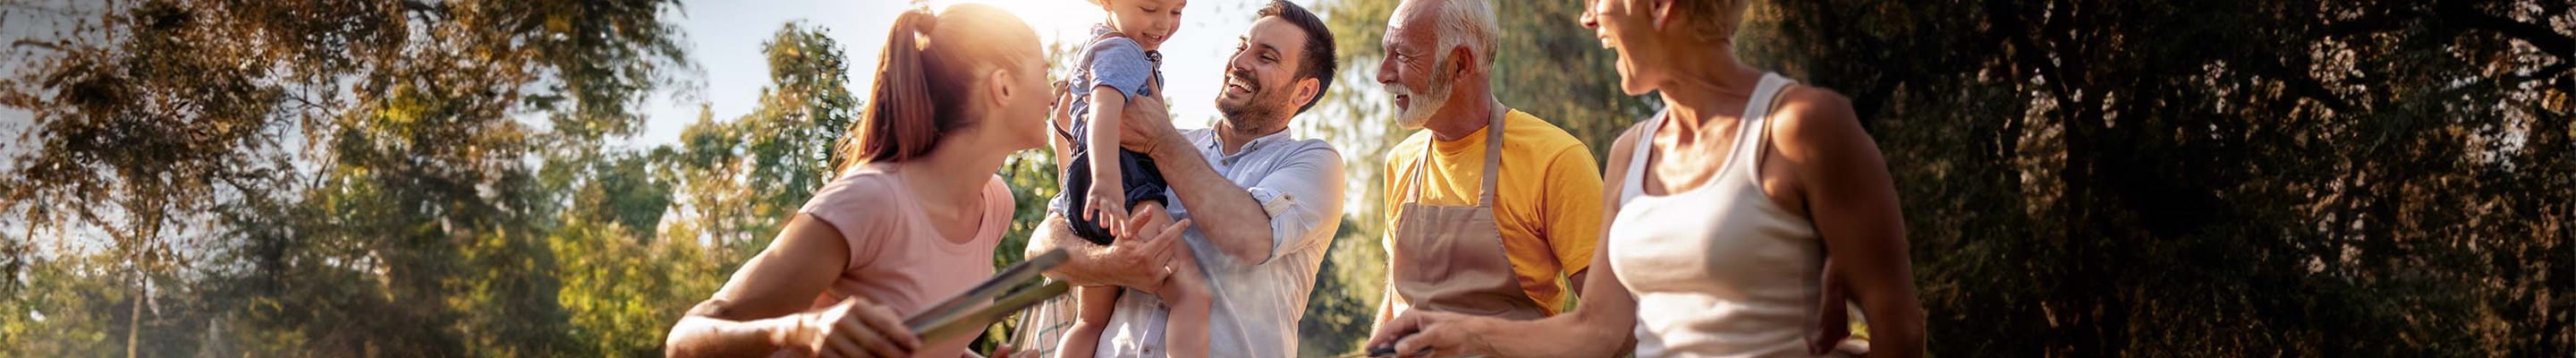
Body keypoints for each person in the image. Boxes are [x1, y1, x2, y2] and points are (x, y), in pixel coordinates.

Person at [1366, 0, 1927, 356]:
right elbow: (1598, 330)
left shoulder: (1804, 126)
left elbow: (1897, 330)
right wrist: (1461, 333)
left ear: (1660, 7)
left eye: (1599, 1)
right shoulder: (1631, 151)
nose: (1588, 19)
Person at [662, 4, 1056, 358]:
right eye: (1044, 74)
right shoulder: (871, 200)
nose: (1053, 95)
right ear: (1003, 87)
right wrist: (800, 329)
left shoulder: (993, 205)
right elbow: (684, 341)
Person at [1022, 2, 1343, 357]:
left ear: (1304, 91)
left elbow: (1251, 239)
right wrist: (1111, 265)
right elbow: (1043, 246)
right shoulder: (1155, 142)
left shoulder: (1315, 163)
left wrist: (1161, 141)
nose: (1239, 61)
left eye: (1266, 57)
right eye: (1241, 46)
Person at [1365, 0, 1606, 336]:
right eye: (1386, 53)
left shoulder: (1557, 159)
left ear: (1460, 64)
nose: (1383, 74)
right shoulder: (1400, 162)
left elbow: (1609, 324)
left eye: (1403, 56)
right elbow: (1395, 304)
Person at [1046, 0, 1212, 357]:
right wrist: (1107, 179)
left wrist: (1074, 186)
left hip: (1088, 183)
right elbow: (1103, 109)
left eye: (1176, 11)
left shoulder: (1096, 44)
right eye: (1149, 8)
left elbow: (1064, 120)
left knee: (1090, 321)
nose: (1163, 24)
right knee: (1192, 295)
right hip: (1123, 181)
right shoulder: (1123, 49)